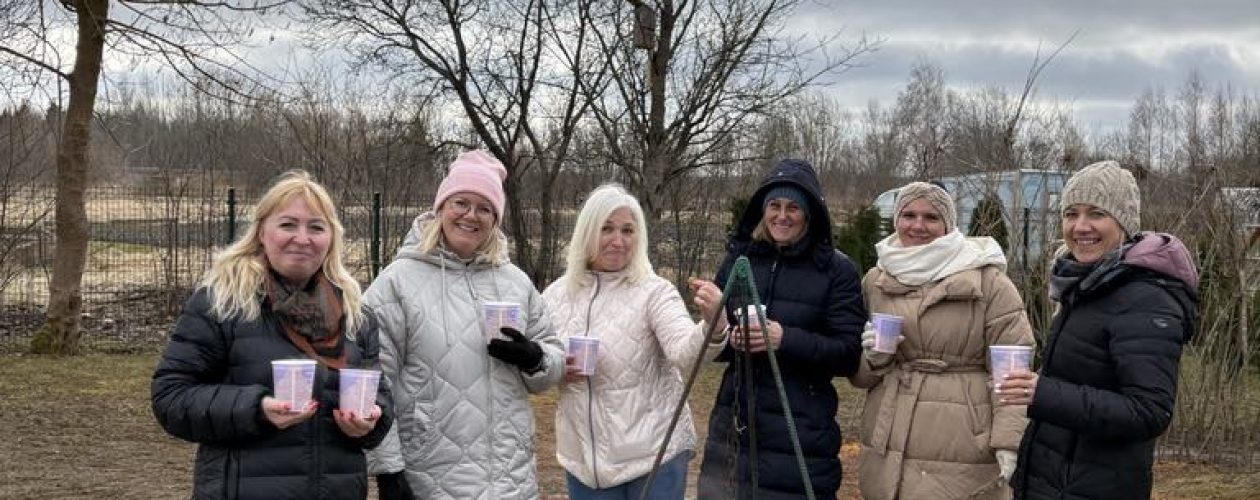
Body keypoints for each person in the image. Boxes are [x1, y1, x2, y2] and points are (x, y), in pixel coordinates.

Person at [151, 170, 393, 500]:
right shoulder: (222, 302)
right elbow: (171, 397)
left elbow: (379, 396)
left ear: (331, 239)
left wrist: (372, 419)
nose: (302, 238)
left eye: (316, 227)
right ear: (262, 232)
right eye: (288, 224)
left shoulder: (355, 315)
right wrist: (257, 408)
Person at [363, 150, 566, 500]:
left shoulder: (515, 283)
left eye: (484, 208)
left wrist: (535, 358)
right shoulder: (397, 282)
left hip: (510, 480)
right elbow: (371, 380)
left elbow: (554, 359)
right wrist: (388, 470)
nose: (471, 215)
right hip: (430, 477)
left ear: (495, 219)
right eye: (461, 202)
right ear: (441, 207)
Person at [997, 161, 1199, 499]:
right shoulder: (1085, 285)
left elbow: (1149, 411)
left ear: (1123, 222)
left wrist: (1042, 393)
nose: (1080, 226)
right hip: (1052, 479)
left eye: (1096, 214)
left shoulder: (1145, 297)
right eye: (1071, 213)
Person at [849, 181, 1035, 500]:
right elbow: (860, 377)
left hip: (962, 440)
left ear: (948, 224)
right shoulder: (876, 280)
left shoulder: (989, 282)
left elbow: (1011, 369)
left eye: (931, 217)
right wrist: (875, 359)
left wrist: (1008, 441)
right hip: (890, 434)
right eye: (908, 215)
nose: (918, 225)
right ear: (896, 220)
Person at [695, 158, 866, 499]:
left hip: (800, 434)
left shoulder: (836, 270)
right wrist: (718, 323)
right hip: (734, 426)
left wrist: (784, 338)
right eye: (774, 205)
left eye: (793, 207)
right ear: (762, 210)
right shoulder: (740, 260)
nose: (782, 216)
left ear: (810, 214)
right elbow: (720, 351)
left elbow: (848, 354)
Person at [543, 184, 725, 499]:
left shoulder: (654, 291)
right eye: (607, 229)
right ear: (587, 232)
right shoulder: (556, 294)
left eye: (628, 230)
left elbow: (684, 353)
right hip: (585, 463)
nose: (618, 240)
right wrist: (556, 368)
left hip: (654, 458)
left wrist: (713, 325)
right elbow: (537, 358)